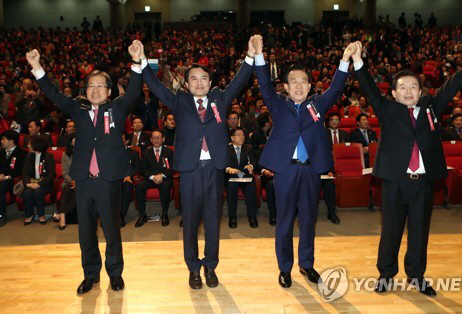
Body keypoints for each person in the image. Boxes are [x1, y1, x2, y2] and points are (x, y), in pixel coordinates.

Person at [351, 39, 462, 296]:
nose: (408, 91)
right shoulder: (387, 109)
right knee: (391, 230)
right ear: (393, 93)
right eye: (402, 87)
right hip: (395, 180)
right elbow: (370, 88)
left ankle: (416, 275)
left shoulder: (431, 107)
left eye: (413, 87)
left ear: (420, 91)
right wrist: (358, 60)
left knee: (419, 231)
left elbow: (451, 87)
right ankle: (386, 274)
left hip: (423, 182)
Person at [138, 36, 256, 290]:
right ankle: (193, 268)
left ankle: (210, 265)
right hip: (190, 171)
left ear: (210, 83)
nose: (199, 83)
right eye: (194, 78)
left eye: (204, 78)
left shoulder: (219, 99)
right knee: (190, 222)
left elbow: (239, 81)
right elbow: (156, 86)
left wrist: (250, 56)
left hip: (214, 170)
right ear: (187, 83)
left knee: (213, 221)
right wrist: (142, 61)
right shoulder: (179, 101)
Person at [26, 41, 143, 294]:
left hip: (108, 179)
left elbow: (134, 93)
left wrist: (136, 62)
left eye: (101, 85)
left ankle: (115, 273)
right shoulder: (77, 109)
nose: (95, 89)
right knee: (86, 231)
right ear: (86, 90)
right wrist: (37, 68)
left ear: (109, 92)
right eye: (91, 85)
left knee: (112, 230)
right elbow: (54, 94)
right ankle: (90, 275)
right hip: (84, 180)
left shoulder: (118, 108)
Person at [253, 35, 354, 288]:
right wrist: (259, 56)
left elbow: (337, 88)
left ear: (310, 86)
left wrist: (343, 60)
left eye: (303, 82)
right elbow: (264, 85)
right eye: (293, 82)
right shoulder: (277, 104)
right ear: (285, 87)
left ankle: (306, 264)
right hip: (285, 171)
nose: (298, 86)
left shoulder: (318, 104)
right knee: (285, 221)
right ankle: (285, 268)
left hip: (310, 171)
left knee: (308, 220)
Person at [135, 130, 173, 228]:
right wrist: (152, 177)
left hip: (164, 178)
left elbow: (171, 168)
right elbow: (143, 169)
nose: (156, 140)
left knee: (165, 186)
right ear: (151, 140)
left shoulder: (169, 152)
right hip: (150, 179)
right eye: (154, 137)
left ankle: (165, 214)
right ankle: (142, 215)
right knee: (139, 186)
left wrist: (162, 176)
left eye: (159, 137)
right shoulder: (146, 152)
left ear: (163, 139)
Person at [225, 127, 258, 229]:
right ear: (232, 137)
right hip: (232, 177)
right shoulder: (226, 149)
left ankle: (252, 216)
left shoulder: (248, 148)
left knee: (251, 188)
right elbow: (221, 163)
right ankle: (232, 217)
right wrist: (228, 168)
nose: (241, 137)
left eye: (243, 135)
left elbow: (255, 162)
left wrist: (251, 166)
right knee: (231, 188)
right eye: (238, 135)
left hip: (245, 177)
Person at [22, 135, 55, 225]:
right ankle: (29, 215)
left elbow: (51, 174)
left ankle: (41, 215)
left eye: (29, 144)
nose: (28, 146)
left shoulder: (49, 156)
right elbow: (24, 172)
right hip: (31, 183)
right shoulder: (29, 156)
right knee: (27, 192)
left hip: (45, 184)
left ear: (36, 145)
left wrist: (39, 184)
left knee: (38, 192)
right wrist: (27, 184)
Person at [0, 130, 27, 227]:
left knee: (1, 185)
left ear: (11, 141)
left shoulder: (22, 153)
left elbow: (20, 170)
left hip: (13, 180)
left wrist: (6, 177)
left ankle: (1, 215)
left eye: (3, 139)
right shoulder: (1, 152)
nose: (1, 141)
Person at [57, 134, 77, 230]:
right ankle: (63, 216)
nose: (75, 143)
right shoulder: (65, 155)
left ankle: (61, 214)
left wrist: (77, 182)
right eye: (73, 141)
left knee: (78, 191)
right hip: (68, 180)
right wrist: (72, 181)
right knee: (66, 189)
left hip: (81, 182)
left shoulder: (85, 153)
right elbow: (64, 173)